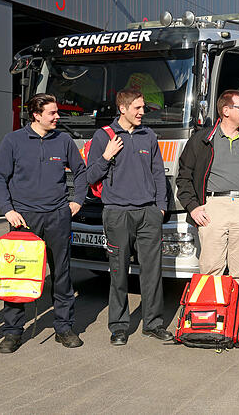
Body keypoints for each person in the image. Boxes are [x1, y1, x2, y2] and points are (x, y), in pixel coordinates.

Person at [0, 93, 87, 353]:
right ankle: (12, 332)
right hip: (24, 219)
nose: (57, 116)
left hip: (57, 216)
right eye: (52, 113)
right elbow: (0, 178)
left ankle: (64, 328)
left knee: (62, 274)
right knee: (19, 276)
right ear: (36, 115)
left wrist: (77, 200)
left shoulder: (64, 140)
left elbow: (80, 172)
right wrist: (8, 210)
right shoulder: (13, 141)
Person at [86, 88, 172, 346]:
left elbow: (159, 174)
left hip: (148, 214)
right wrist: (106, 156)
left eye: (143, 107)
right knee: (118, 272)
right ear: (122, 108)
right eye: (138, 108)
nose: (142, 112)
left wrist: (160, 208)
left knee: (152, 272)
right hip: (116, 213)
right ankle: (119, 326)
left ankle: (153, 324)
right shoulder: (104, 137)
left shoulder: (149, 136)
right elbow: (90, 176)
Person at [176, 89, 239, 292]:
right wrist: (193, 207)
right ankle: (213, 319)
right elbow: (183, 177)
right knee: (211, 270)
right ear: (226, 111)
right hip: (212, 209)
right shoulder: (202, 139)